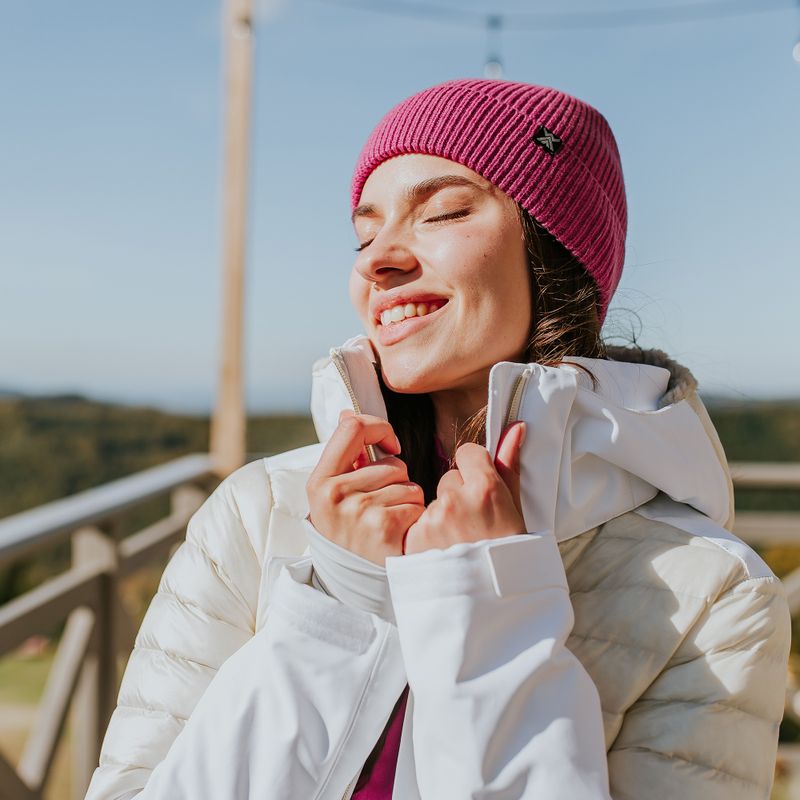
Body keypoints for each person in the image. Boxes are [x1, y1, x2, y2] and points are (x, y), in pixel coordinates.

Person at [84, 79, 790, 800]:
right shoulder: (256, 511)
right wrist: (338, 606)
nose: (377, 259)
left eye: (444, 212)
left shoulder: (714, 593)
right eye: (364, 233)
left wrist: (489, 616)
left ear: (554, 254)